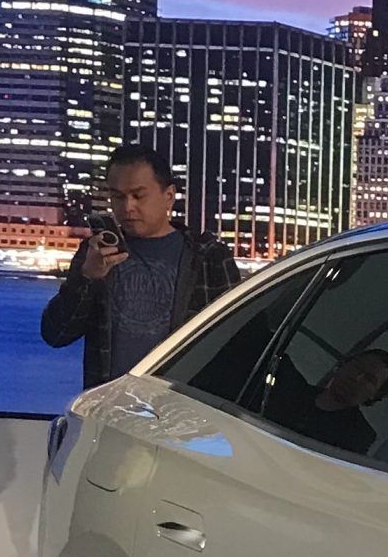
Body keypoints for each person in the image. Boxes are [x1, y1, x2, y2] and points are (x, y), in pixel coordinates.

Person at [40, 144, 239, 390]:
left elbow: (235, 343)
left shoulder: (208, 258)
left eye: (138, 195)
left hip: (181, 404)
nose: (127, 207)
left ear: (169, 196)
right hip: (109, 404)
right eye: (118, 196)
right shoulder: (98, 252)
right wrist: (86, 278)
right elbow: (56, 334)